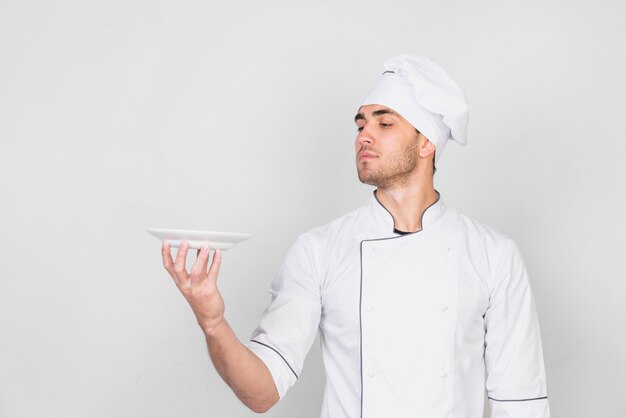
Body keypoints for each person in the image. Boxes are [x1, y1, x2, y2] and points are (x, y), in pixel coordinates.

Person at [161, 54, 551, 418]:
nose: (364, 135)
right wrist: (212, 321)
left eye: (384, 123)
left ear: (426, 143)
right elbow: (261, 393)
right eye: (361, 124)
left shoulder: (493, 255)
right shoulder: (320, 250)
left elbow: (521, 403)